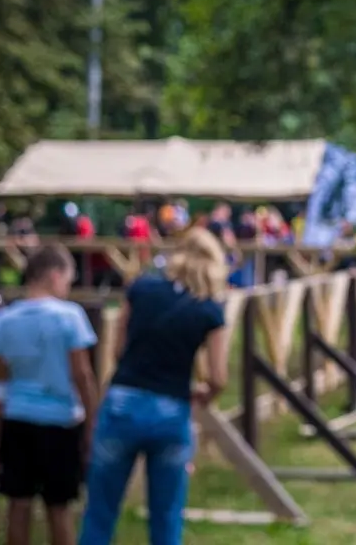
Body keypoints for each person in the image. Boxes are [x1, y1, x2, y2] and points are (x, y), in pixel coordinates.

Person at [79, 227, 229, 545]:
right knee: (166, 520)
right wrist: (204, 394)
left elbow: (118, 350)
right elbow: (218, 377)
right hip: (172, 408)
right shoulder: (209, 310)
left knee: (99, 514)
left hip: (124, 400)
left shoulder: (141, 288)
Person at [0, 244, 99, 545]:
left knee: (18, 505)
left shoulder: (5, 319)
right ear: (54, 275)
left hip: (17, 418)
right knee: (59, 508)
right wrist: (92, 422)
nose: (68, 287)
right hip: (60, 421)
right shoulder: (70, 316)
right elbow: (82, 375)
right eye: (67, 280)